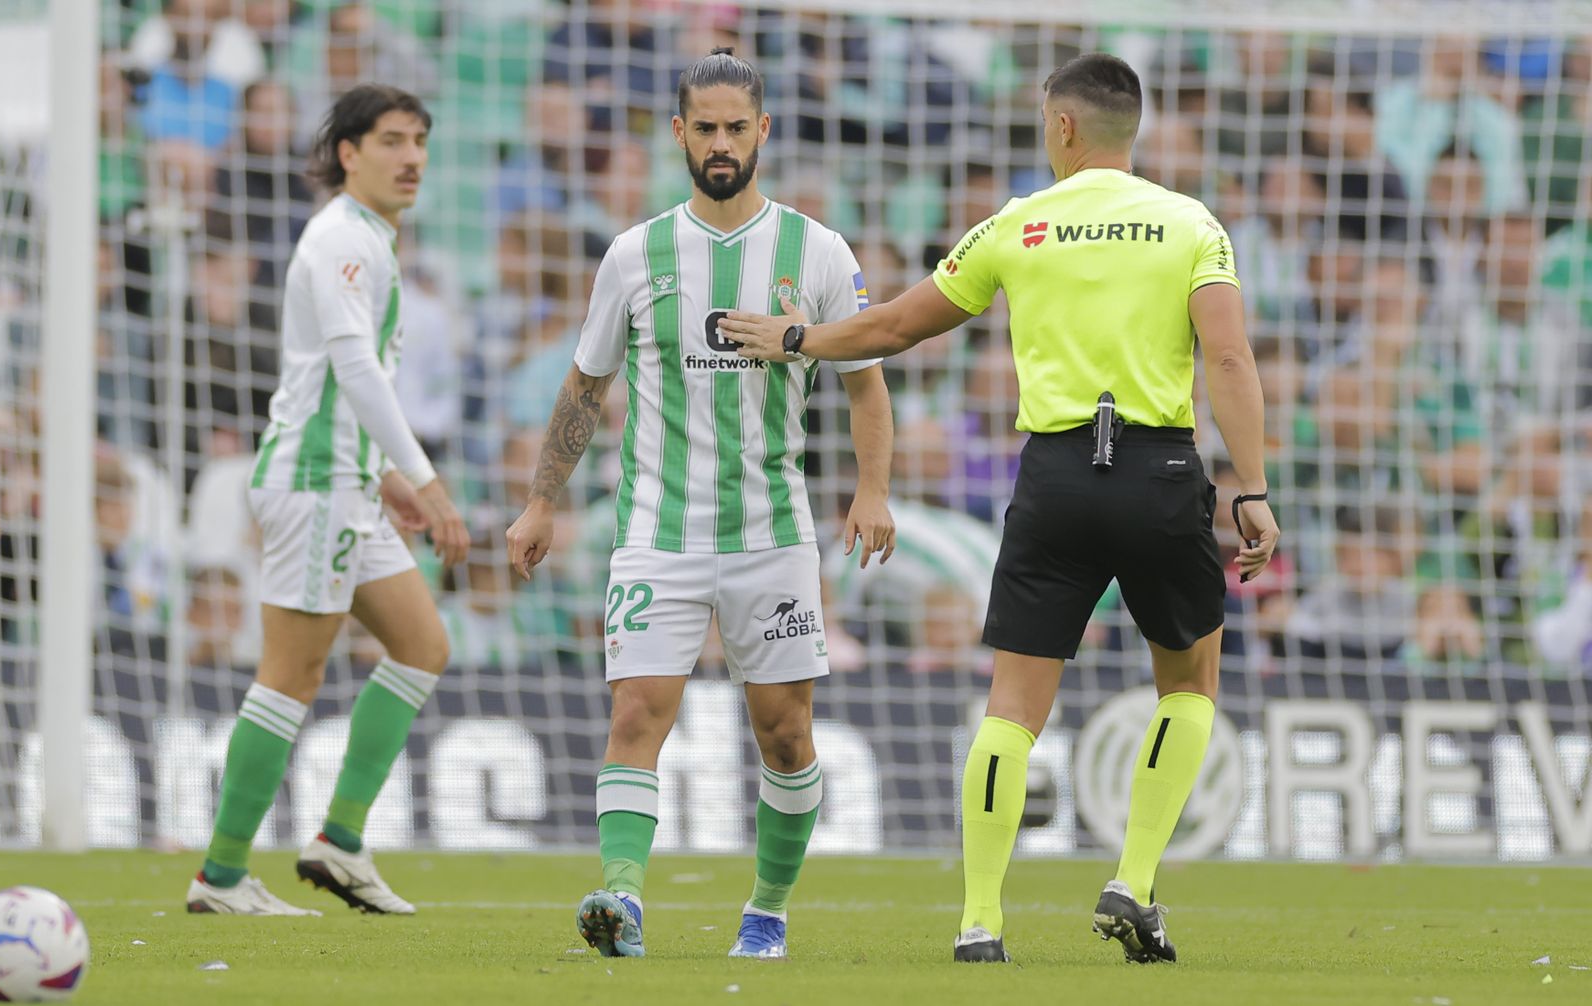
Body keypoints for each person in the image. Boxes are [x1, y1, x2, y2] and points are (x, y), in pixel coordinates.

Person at [721, 53, 1280, 965]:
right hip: (1160, 471)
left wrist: (797, 339)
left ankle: (980, 922)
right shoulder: (1192, 226)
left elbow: (898, 325)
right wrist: (1250, 487)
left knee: (1014, 706)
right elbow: (1228, 360)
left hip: (1056, 475)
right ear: (1128, 128)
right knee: (1188, 687)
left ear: (1062, 127)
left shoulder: (1019, 225)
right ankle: (1132, 883)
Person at [505, 48, 896, 961]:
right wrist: (539, 502)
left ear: (764, 131)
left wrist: (872, 488)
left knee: (786, 735)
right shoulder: (634, 254)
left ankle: (766, 911)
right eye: (704, 129)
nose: (721, 144)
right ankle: (622, 897)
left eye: (736, 128)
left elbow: (866, 387)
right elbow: (583, 387)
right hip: (657, 532)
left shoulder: (819, 252)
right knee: (638, 711)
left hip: (774, 537)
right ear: (679, 135)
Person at [186, 84, 469, 917]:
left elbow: (339, 385)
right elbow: (355, 370)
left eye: (419, 139)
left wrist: (380, 471)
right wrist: (423, 476)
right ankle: (223, 874)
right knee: (291, 676)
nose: (411, 156)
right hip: (313, 488)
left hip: (345, 480)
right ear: (348, 153)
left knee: (421, 645)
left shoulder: (369, 240)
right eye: (391, 140)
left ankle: (339, 843)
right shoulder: (344, 240)